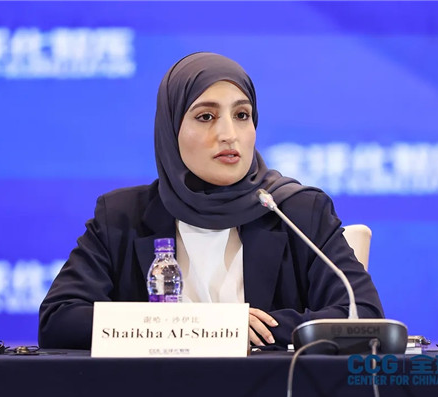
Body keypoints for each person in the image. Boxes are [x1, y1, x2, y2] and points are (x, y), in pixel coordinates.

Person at [38, 52, 384, 349]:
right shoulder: (122, 216)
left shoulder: (296, 211)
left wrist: (252, 331)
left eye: (241, 115)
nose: (228, 134)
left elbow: (363, 316)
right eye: (206, 117)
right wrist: (213, 326)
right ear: (171, 128)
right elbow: (59, 320)